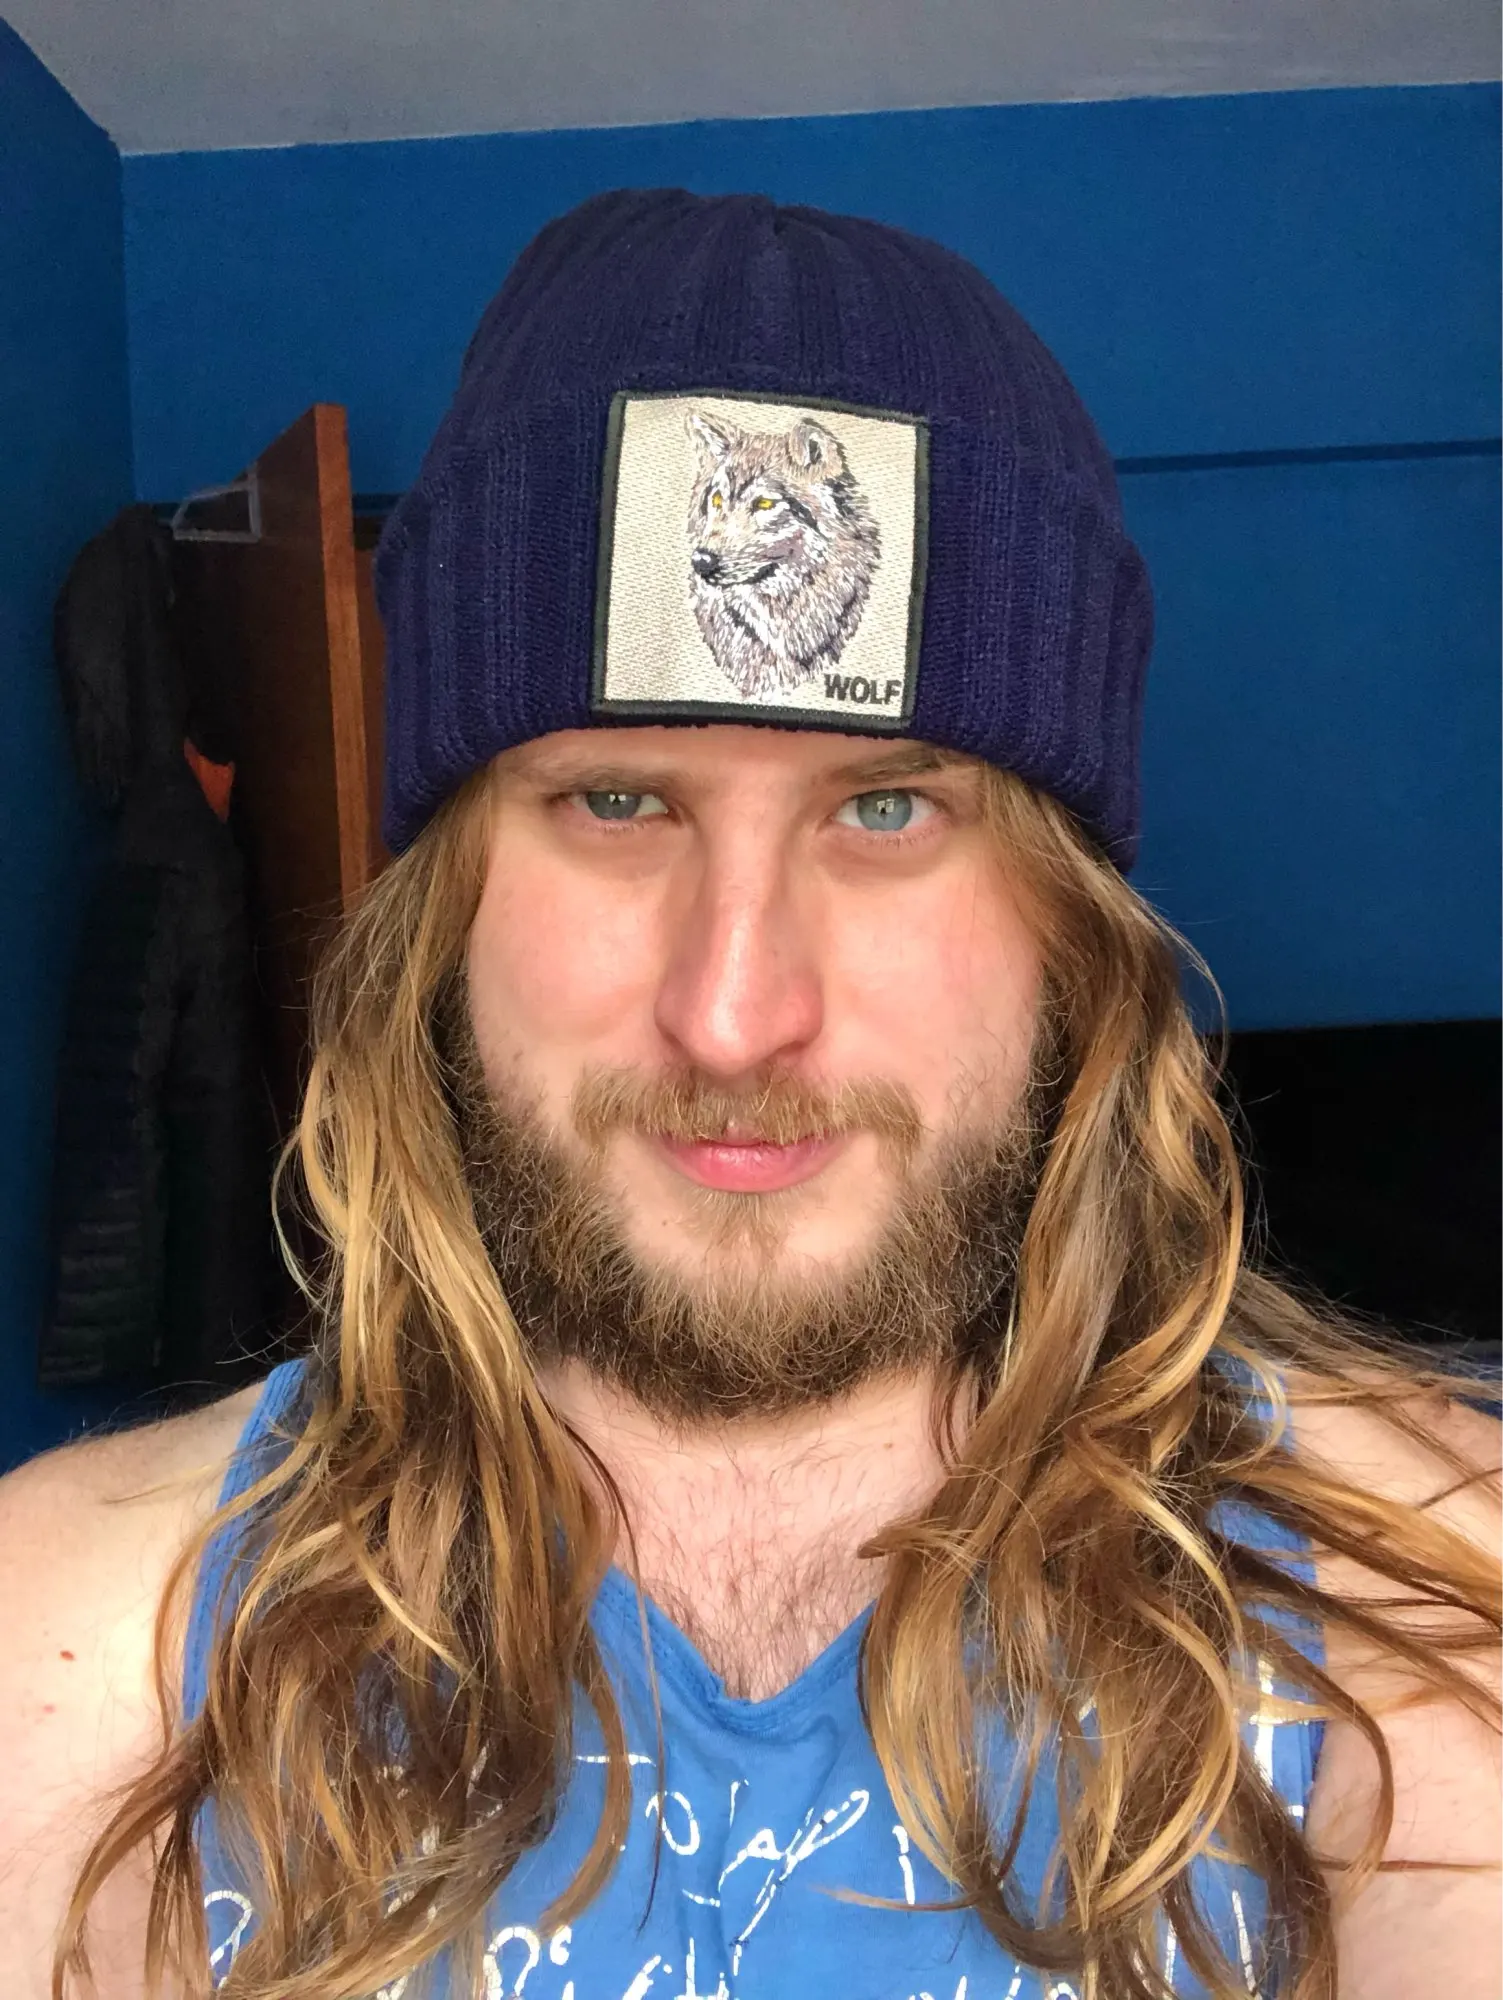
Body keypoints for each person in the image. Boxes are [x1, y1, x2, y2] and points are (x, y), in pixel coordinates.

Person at [2, 190, 1497, 2000]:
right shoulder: (70, 1647)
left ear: (1069, 927)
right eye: (615, 801)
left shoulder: (1426, 1613)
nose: (731, 1017)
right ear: (443, 903)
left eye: (887, 807)